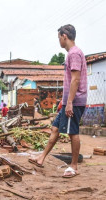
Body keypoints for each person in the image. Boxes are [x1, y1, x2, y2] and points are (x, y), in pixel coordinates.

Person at [28, 24, 87, 178]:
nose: (59, 40)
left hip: (74, 102)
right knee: (55, 128)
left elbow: (75, 80)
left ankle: (73, 166)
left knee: (72, 132)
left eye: (59, 37)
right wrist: (64, 100)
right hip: (69, 100)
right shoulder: (73, 53)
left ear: (64, 36)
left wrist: (69, 103)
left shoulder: (74, 53)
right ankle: (41, 158)